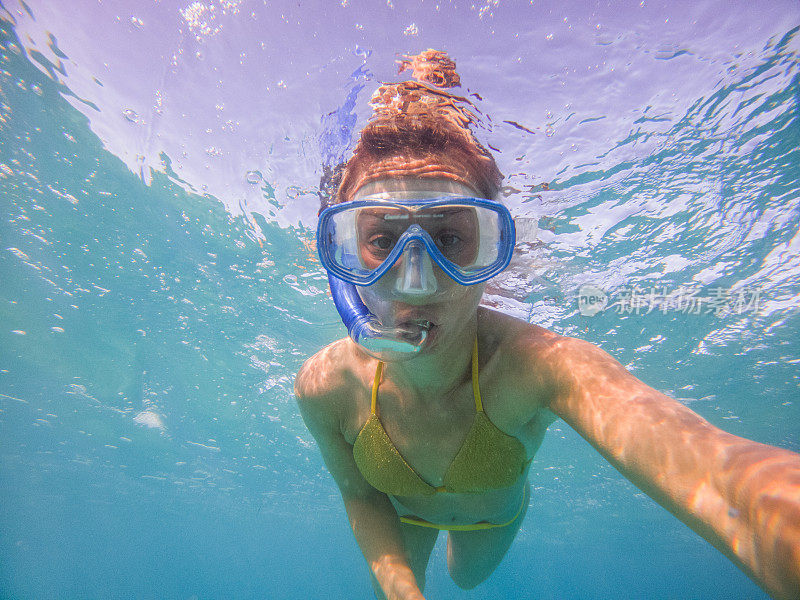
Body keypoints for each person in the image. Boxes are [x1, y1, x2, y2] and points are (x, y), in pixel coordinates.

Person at [294, 50, 800, 600]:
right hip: (404, 516)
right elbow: (362, 495)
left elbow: (722, 483)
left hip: (490, 523)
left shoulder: (542, 367)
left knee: (465, 578)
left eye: (451, 239)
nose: (415, 283)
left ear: (496, 247)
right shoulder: (325, 385)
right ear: (339, 254)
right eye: (382, 240)